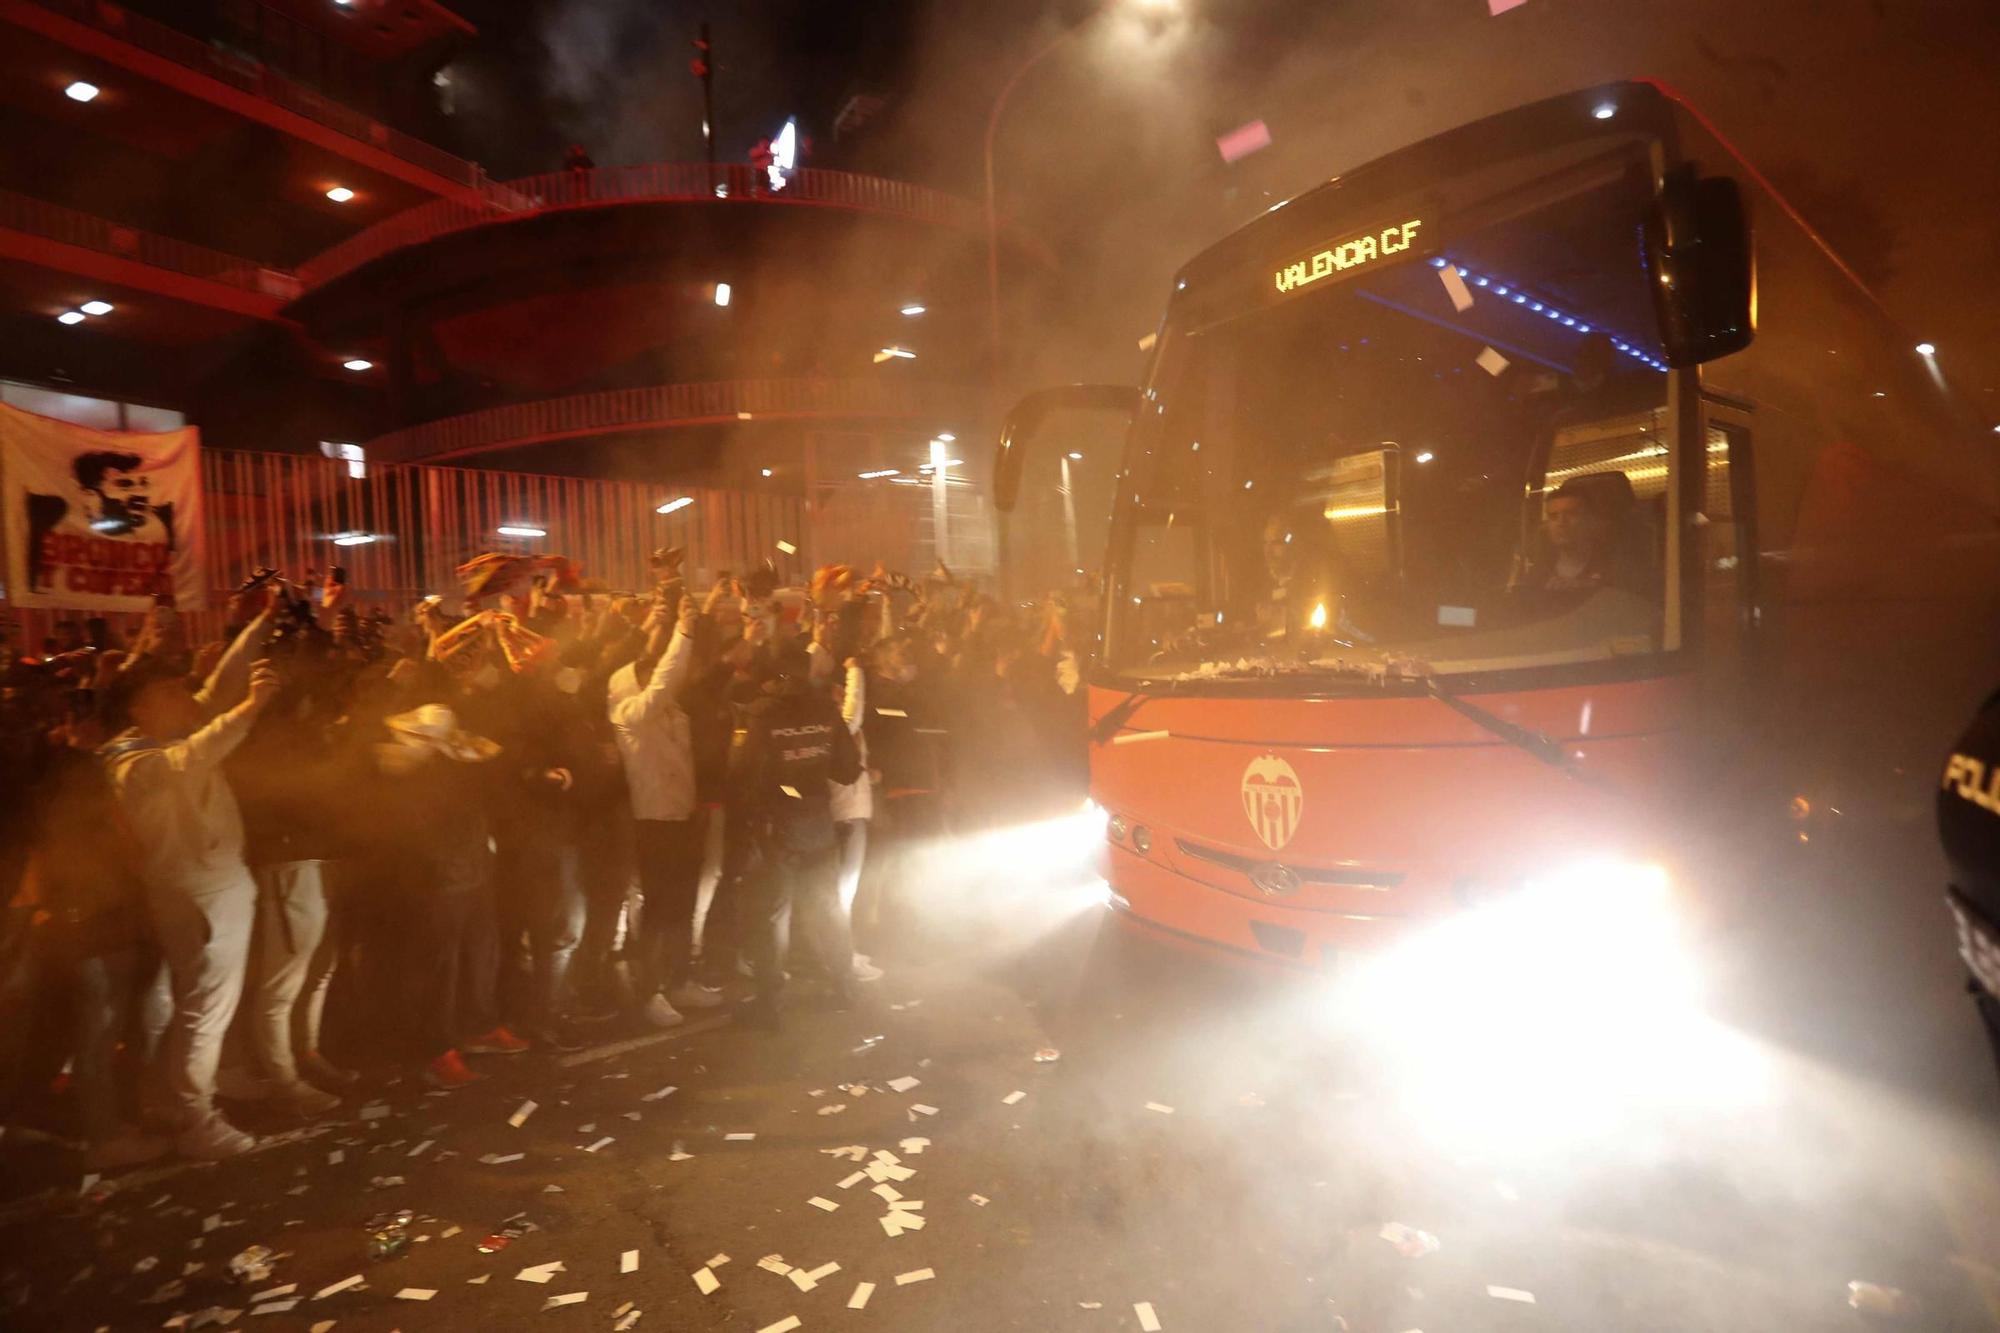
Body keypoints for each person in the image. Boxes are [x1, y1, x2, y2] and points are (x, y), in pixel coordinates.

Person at [101, 604, 280, 1160]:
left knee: (198, 1003)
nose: (188, 699)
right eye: (173, 694)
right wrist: (254, 707)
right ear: (139, 707)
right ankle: (196, 1119)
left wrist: (261, 621)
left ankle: (173, 1094)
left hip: (207, 888)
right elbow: (201, 750)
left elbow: (219, 688)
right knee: (205, 1006)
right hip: (200, 894)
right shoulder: (134, 762)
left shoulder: (162, 736)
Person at [607, 586, 726, 1028]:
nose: (655, 678)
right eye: (646, 674)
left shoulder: (668, 707)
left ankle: (677, 981)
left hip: (681, 814)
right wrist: (681, 631)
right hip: (650, 820)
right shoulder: (631, 710)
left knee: (679, 906)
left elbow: (687, 679)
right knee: (656, 913)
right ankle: (649, 991)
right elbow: (665, 682)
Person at [732, 639, 864, 1028]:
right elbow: (846, 770)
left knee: (773, 915)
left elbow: (743, 776)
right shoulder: (825, 710)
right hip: (818, 822)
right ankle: (844, 985)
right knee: (828, 907)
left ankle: (769, 1003)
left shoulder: (764, 716)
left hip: (778, 827)